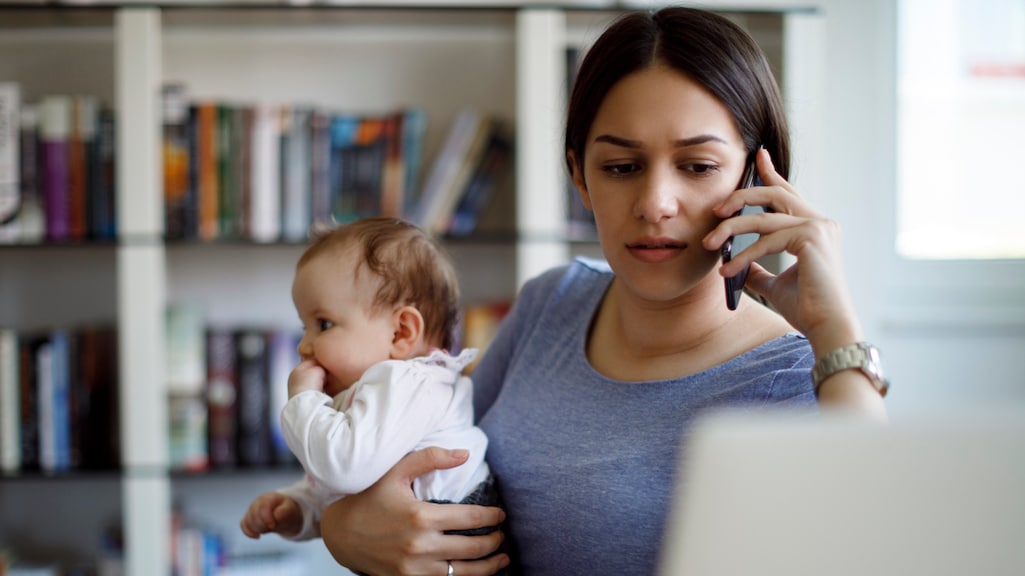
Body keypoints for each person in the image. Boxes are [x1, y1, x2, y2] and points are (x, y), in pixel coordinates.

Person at [317, 7, 889, 576]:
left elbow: (876, 545)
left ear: (755, 182)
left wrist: (836, 329)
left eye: (696, 166)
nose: (655, 203)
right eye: (621, 167)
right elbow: (421, 456)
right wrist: (340, 527)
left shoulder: (797, 378)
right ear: (579, 176)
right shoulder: (551, 302)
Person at [239, 217, 500, 546]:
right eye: (304, 326)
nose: (302, 346)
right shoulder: (374, 391)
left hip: (454, 532)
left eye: (323, 324)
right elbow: (350, 487)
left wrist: (302, 399)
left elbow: (344, 468)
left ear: (401, 332)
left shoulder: (409, 382)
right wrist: (298, 506)